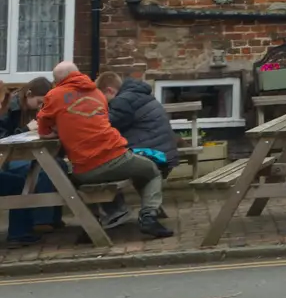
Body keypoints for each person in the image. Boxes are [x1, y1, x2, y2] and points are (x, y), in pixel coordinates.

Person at [36, 62, 172, 239]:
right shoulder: (97, 93)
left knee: (68, 179)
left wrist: (57, 130)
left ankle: (92, 222)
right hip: (116, 158)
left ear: (58, 80)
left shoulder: (53, 96)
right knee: (152, 171)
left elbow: (43, 130)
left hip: (84, 168)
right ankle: (148, 217)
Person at [0, 77, 62, 247]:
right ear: (28, 94)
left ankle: (53, 219)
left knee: (58, 166)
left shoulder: (41, 110)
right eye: (40, 101)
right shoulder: (9, 108)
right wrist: (26, 129)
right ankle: (39, 222)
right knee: (37, 173)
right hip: (12, 158)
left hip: (35, 154)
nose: (41, 106)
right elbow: (3, 138)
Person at [99, 72, 178, 175]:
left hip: (153, 157)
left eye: (102, 97)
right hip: (165, 154)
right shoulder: (137, 94)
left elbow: (104, 125)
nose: (103, 102)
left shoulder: (123, 101)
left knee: (104, 165)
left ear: (109, 90)